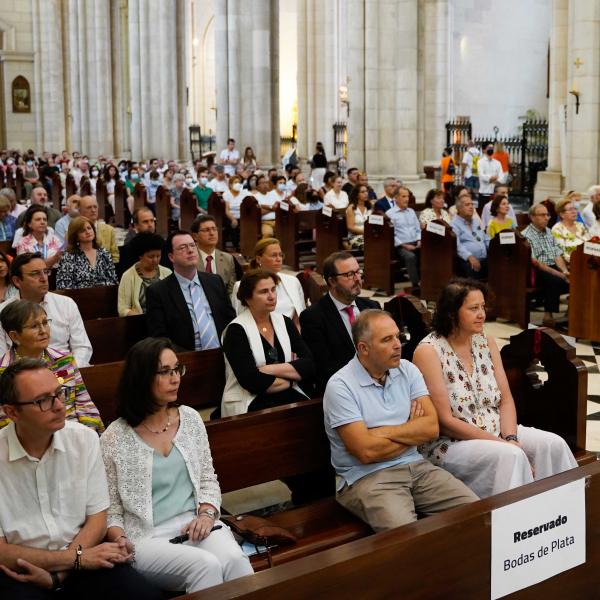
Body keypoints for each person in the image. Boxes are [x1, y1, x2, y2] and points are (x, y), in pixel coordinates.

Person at [100, 338, 252, 594]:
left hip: (196, 524)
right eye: (165, 372)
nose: (175, 378)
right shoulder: (114, 438)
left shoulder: (191, 418)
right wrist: (120, 539)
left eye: (177, 369)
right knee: (205, 566)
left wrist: (206, 514)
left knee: (236, 561)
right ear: (141, 378)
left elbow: (207, 479)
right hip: (147, 538)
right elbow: (111, 510)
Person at [0, 359, 162, 599]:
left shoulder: (84, 439)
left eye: (59, 393)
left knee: (142, 594)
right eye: (43, 400)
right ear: (12, 412)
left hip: (82, 554)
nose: (58, 406)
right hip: (21, 569)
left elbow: (97, 519)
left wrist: (63, 571)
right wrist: (74, 560)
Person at [412, 279, 577, 498]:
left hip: (497, 430)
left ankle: (564, 516)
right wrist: (506, 445)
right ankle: (519, 526)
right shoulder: (428, 351)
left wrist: (510, 438)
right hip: (452, 443)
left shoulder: (485, 342)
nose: (482, 314)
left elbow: (506, 400)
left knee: (553, 445)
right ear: (451, 312)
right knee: (512, 457)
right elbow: (445, 422)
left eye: (483, 307)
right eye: (473, 308)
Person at [323, 309, 478, 532]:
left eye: (397, 336)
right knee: (407, 539)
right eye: (387, 339)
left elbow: (431, 429)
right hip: (369, 479)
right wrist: (411, 431)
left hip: (417, 466)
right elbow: (366, 452)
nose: (398, 344)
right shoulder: (341, 386)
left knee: (476, 513)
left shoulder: (407, 370)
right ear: (363, 348)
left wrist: (379, 432)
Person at [221, 269, 315, 417]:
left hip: (287, 393)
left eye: (273, 290)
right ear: (247, 297)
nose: (272, 296)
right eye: (264, 292)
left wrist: (267, 369)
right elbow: (251, 381)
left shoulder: (285, 322)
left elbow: (309, 364)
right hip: (250, 399)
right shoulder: (236, 330)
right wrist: (290, 379)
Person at [0, 300, 103, 432]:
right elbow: (5, 421)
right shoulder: (4, 372)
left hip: (75, 433)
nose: (43, 331)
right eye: (34, 326)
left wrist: (87, 434)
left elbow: (84, 403)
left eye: (45, 323)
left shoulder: (65, 359)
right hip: (33, 440)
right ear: (14, 336)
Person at [300, 251, 379, 395]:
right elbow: (323, 367)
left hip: (378, 382)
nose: (357, 279)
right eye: (349, 275)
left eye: (358, 272)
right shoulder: (313, 317)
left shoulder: (372, 307)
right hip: (343, 390)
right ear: (331, 281)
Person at [146, 231, 235, 352]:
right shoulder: (158, 292)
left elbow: (230, 319)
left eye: (193, 245)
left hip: (223, 353)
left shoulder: (215, 281)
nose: (190, 250)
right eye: (183, 248)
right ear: (171, 257)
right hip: (186, 360)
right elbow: (160, 337)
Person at [0, 253, 93, 366]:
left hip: (66, 369)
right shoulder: (3, 311)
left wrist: (70, 371)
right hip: (23, 373)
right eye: (35, 274)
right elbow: (2, 357)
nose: (44, 279)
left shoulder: (66, 303)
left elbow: (82, 346)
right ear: (17, 281)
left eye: (45, 272)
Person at [231, 238, 305, 329]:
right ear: (259, 259)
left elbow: (300, 316)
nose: (278, 259)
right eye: (274, 255)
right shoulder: (241, 285)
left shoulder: (293, 281)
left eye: (280, 255)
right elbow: (240, 318)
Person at [521, 203, 570, 326]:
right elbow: (536, 263)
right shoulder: (526, 235)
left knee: (574, 277)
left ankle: (572, 312)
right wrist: (559, 275)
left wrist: (564, 271)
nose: (547, 218)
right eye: (542, 215)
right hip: (535, 270)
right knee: (554, 281)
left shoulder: (549, 232)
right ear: (532, 217)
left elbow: (557, 254)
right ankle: (548, 315)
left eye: (547, 214)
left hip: (552, 266)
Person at [118, 232, 171, 317]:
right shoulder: (128, 276)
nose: (155, 260)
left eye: (158, 256)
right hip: (139, 322)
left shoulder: (167, 273)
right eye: (151, 257)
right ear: (140, 256)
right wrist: (142, 317)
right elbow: (123, 309)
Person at [56, 217, 118, 289]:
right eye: (82, 230)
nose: (88, 232)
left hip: (105, 296)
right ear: (75, 236)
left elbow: (114, 281)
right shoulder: (68, 257)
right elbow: (63, 287)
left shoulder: (104, 253)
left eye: (89, 228)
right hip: (78, 298)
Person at [191, 215, 236, 295]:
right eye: (206, 230)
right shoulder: (190, 258)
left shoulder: (228, 258)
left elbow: (231, 291)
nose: (212, 233)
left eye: (214, 229)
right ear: (195, 236)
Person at [386, 186, 421, 289]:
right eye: (403, 196)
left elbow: (418, 229)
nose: (407, 199)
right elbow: (391, 235)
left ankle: (430, 282)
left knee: (429, 253)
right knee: (411, 257)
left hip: (416, 243)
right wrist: (404, 245)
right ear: (396, 198)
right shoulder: (390, 214)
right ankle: (416, 285)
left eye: (408, 196)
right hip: (400, 246)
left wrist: (419, 240)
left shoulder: (411, 211)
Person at [452, 193, 488, 279]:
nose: (471, 207)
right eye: (467, 205)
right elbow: (457, 246)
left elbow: (484, 238)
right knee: (473, 269)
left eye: (472, 204)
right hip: (467, 260)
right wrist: (469, 256)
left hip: (484, 258)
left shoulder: (475, 221)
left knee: (499, 263)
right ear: (459, 208)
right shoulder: (454, 224)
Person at [78, 195, 119, 264]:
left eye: (95, 207)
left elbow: (115, 256)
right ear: (80, 211)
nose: (93, 210)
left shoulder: (109, 230)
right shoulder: (73, 230)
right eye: (89, 207)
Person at [551, 197, 590, 262]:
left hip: (587, 260)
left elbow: (589, 242)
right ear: (562, 214)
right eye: (570, 209)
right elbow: (562, 254)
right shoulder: (557, 229)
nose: (574, 211)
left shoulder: (580, 225)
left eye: (575, 209)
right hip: (572, 264)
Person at [345, 184, 372, 250]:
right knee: (369, 245)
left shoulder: (369, 207)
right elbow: (350, 227)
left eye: (366, 191)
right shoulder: (351, 208)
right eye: (362, 192)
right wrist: (365, 232)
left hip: (369, 235)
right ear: (356, 195)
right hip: (355, 237)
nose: (366, 193)